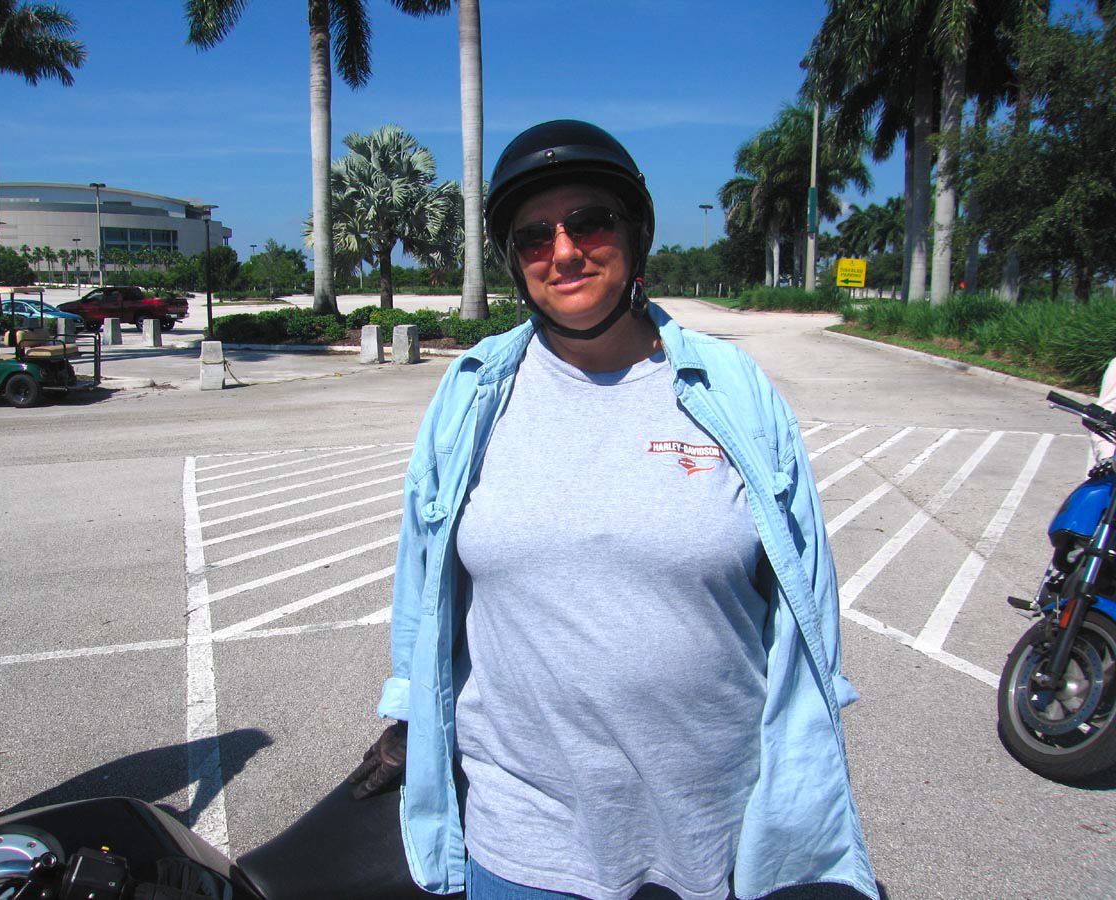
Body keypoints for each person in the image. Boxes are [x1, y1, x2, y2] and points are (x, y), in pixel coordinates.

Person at [350, 120, 877, 900]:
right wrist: (408, 711)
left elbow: (806, 600)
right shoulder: (471, 394)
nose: (563, 251)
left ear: (635, 235)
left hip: (714, 827)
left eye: (589, 222)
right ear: (514, 260)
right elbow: (422, 577)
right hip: (523, 836)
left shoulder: (733, 390)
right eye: (534, 236)